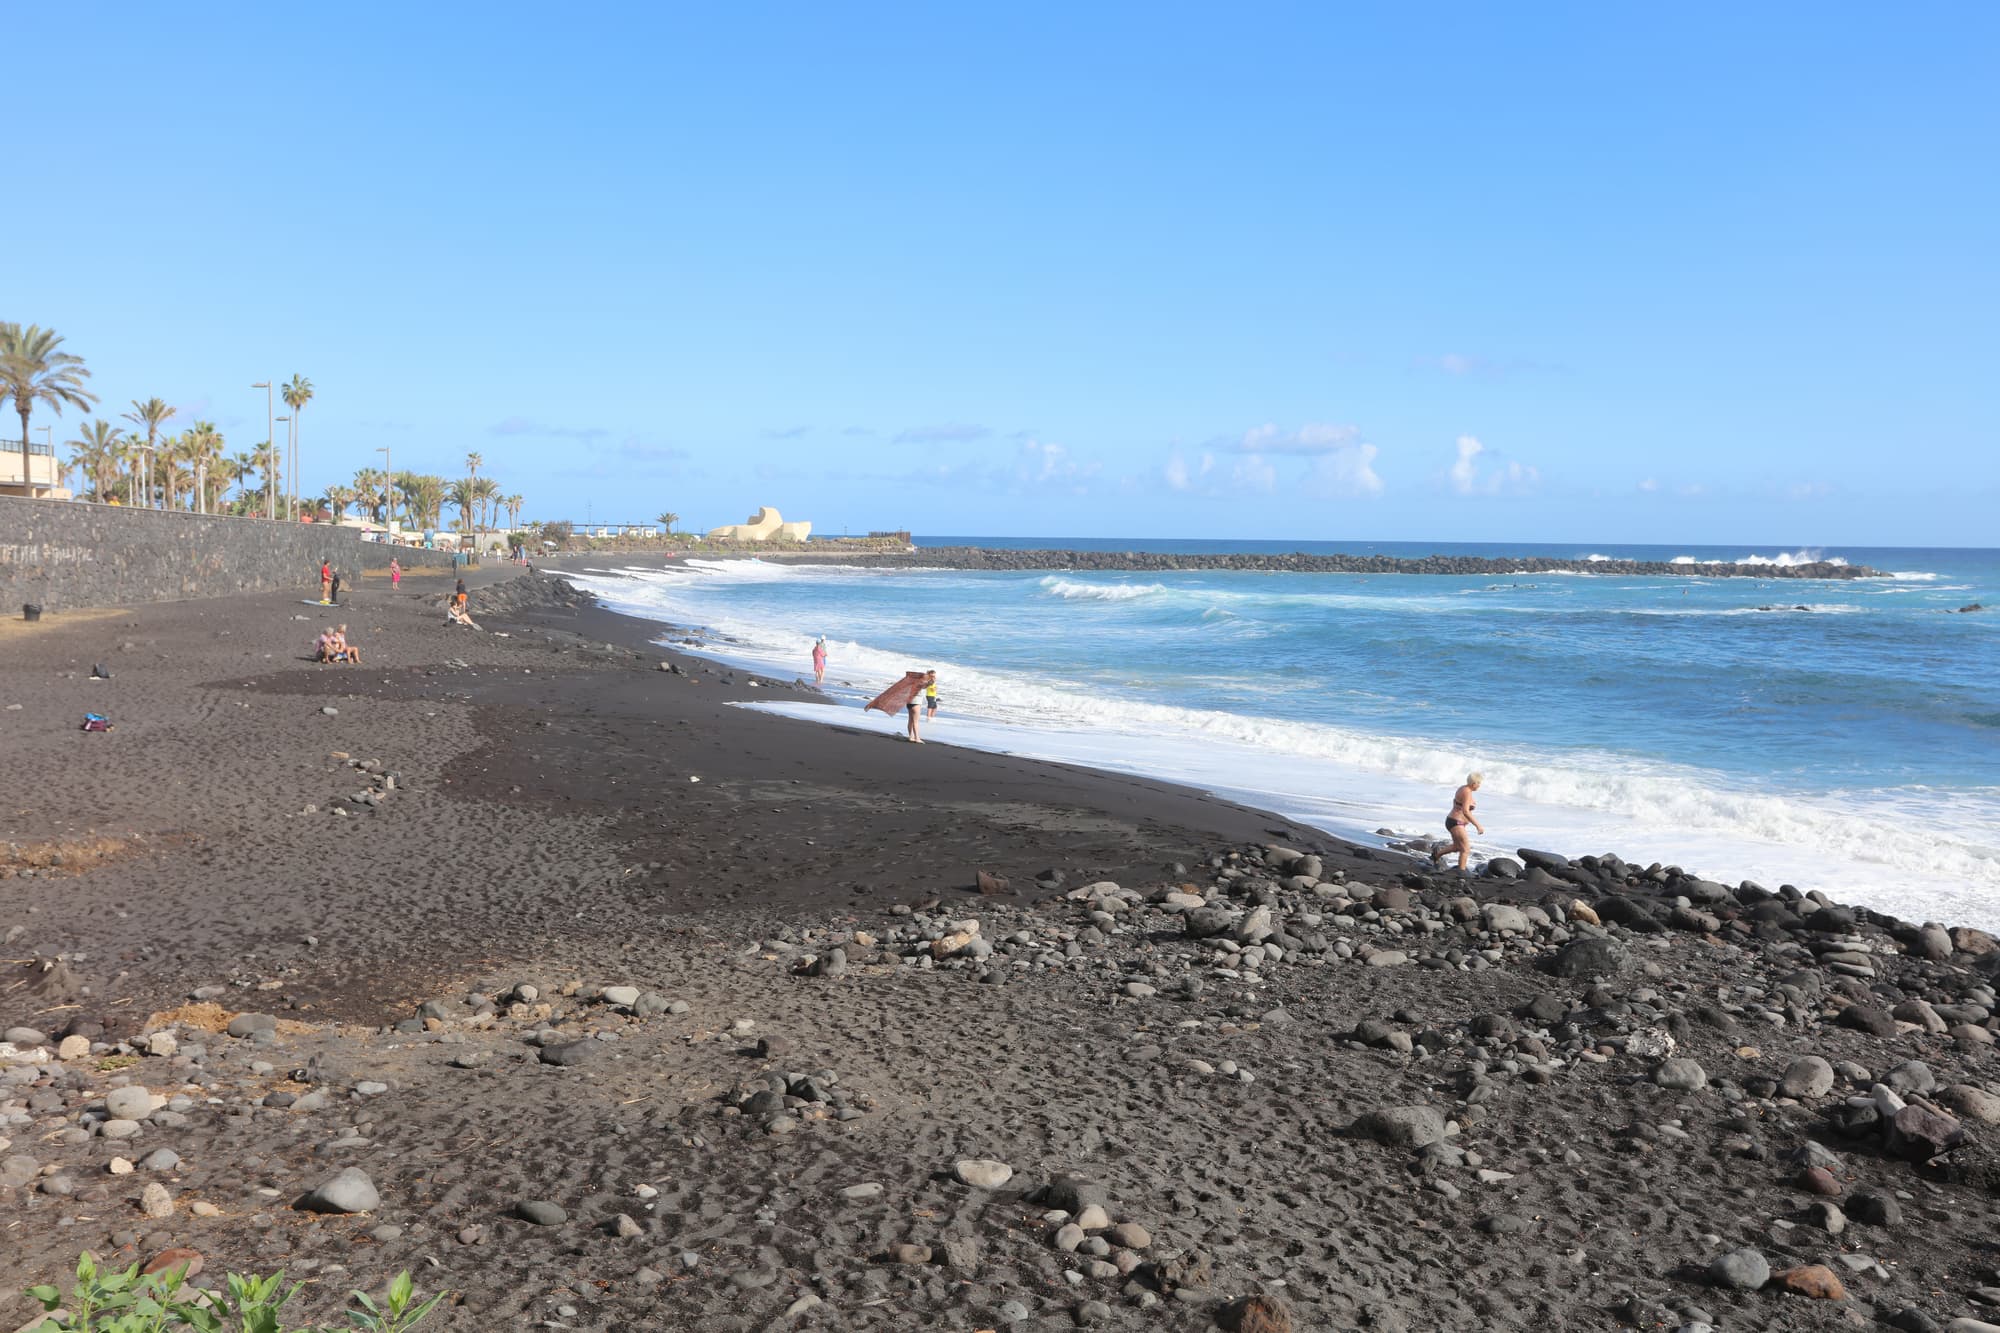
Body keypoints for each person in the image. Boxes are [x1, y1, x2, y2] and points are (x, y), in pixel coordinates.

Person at [1431, 772, 1486, 872]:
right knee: (1465, 849)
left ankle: (1436, 855)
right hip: (1456, 823)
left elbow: (1455, 802)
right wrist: (1478, 826)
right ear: (1474, 783)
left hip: (1453, 821)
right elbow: (1466, 811)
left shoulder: (1463, 788)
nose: (1479, 786)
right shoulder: (1467, 792)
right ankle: (1461, 873)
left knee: (1457, 847)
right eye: (1479, 783)